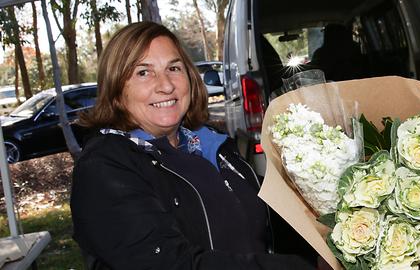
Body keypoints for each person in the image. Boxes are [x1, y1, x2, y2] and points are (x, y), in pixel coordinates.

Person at [70, 21, 314, 269]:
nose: (165, 85)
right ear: (116, 87)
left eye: (174, 68)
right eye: (143, 72)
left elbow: (263, 222)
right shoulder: (104, 168)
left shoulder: (211, 144)